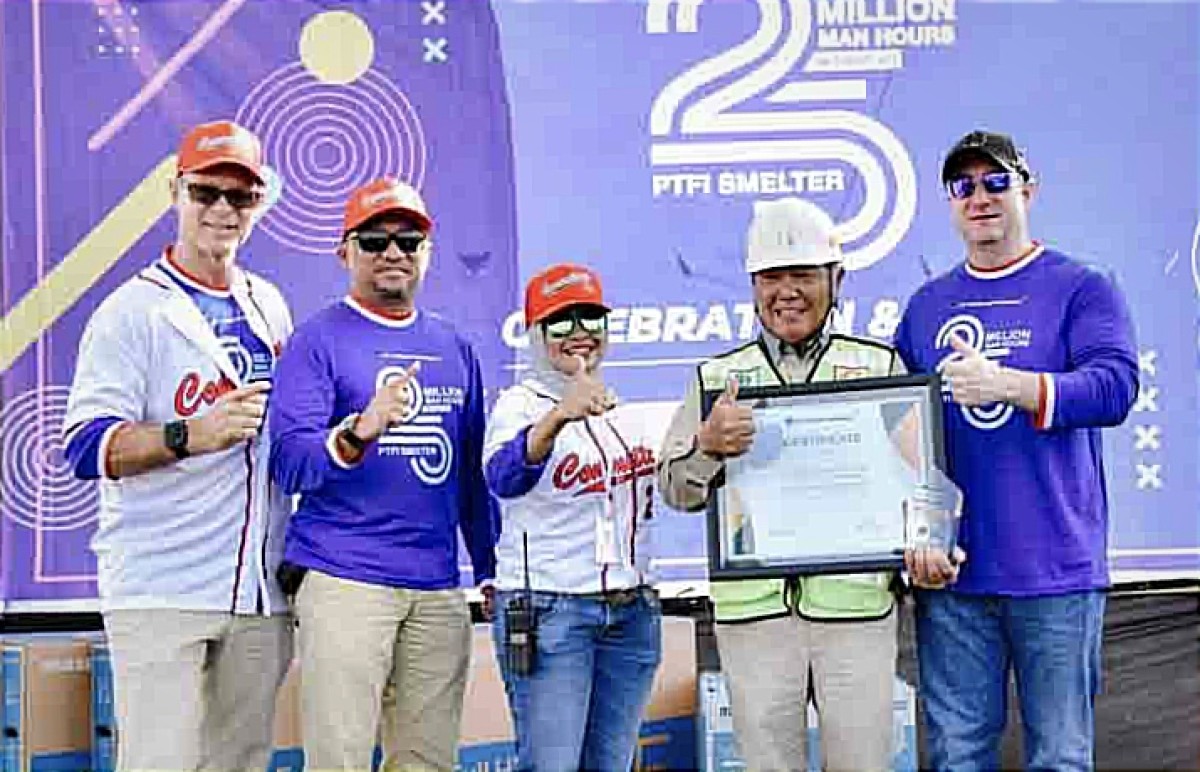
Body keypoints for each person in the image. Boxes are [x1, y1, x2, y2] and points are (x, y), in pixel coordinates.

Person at [658, 197, 952, 771]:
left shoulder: (878, 367)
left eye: (803, 275)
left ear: (836, 279)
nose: (787, 291)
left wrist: (932, 539)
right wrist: (707, 448)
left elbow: (927, 481)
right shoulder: (717, 379)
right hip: (755, 618)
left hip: (855, 613)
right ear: (752, 284)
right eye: (772, 276)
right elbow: (675, 489)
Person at [894, 130, 1139, 771]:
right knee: (956, 757)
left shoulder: (1083, 287)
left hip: (1056, 572)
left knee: (1060, 758)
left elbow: (1115, 387)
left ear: (1027, 191)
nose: (980, 197)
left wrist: (1011, 385)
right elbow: (902, 438)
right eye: (964, 186)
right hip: (955, 579)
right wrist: (921, 534)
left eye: (996, 182)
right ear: (951, 203)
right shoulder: (925, 308)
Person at [62, 120, 293, 771]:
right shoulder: (131, 311)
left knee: (241, 762)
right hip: (163, 584)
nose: (222, 209)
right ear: (176, 193)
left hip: (257, 589)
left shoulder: (268, 303)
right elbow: (85, 447)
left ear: (257, 206)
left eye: (240, 196)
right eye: (206, 192)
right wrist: (190, 434)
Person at [267, 177, 498, 771]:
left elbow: (471, 476)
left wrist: (492, 570)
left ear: (429, 249)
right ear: (344, 252)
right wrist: (357, 432)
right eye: (373, 239)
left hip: (438, 587)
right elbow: (290, 461)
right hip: (345, 580)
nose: (392, 252)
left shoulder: (455, 345)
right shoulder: (315, 341)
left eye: (408, 238)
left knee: (427, 761)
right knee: (339, 759)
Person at [484, 263, 662, 772]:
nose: (579, 333)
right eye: (561, 322)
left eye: (591, 319)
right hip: (551, 611)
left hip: (630, 611)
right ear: (536, 335)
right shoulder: (519, 406)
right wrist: (559, 416)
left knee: (612, 764)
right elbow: (502, 477)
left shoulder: (622, 411)